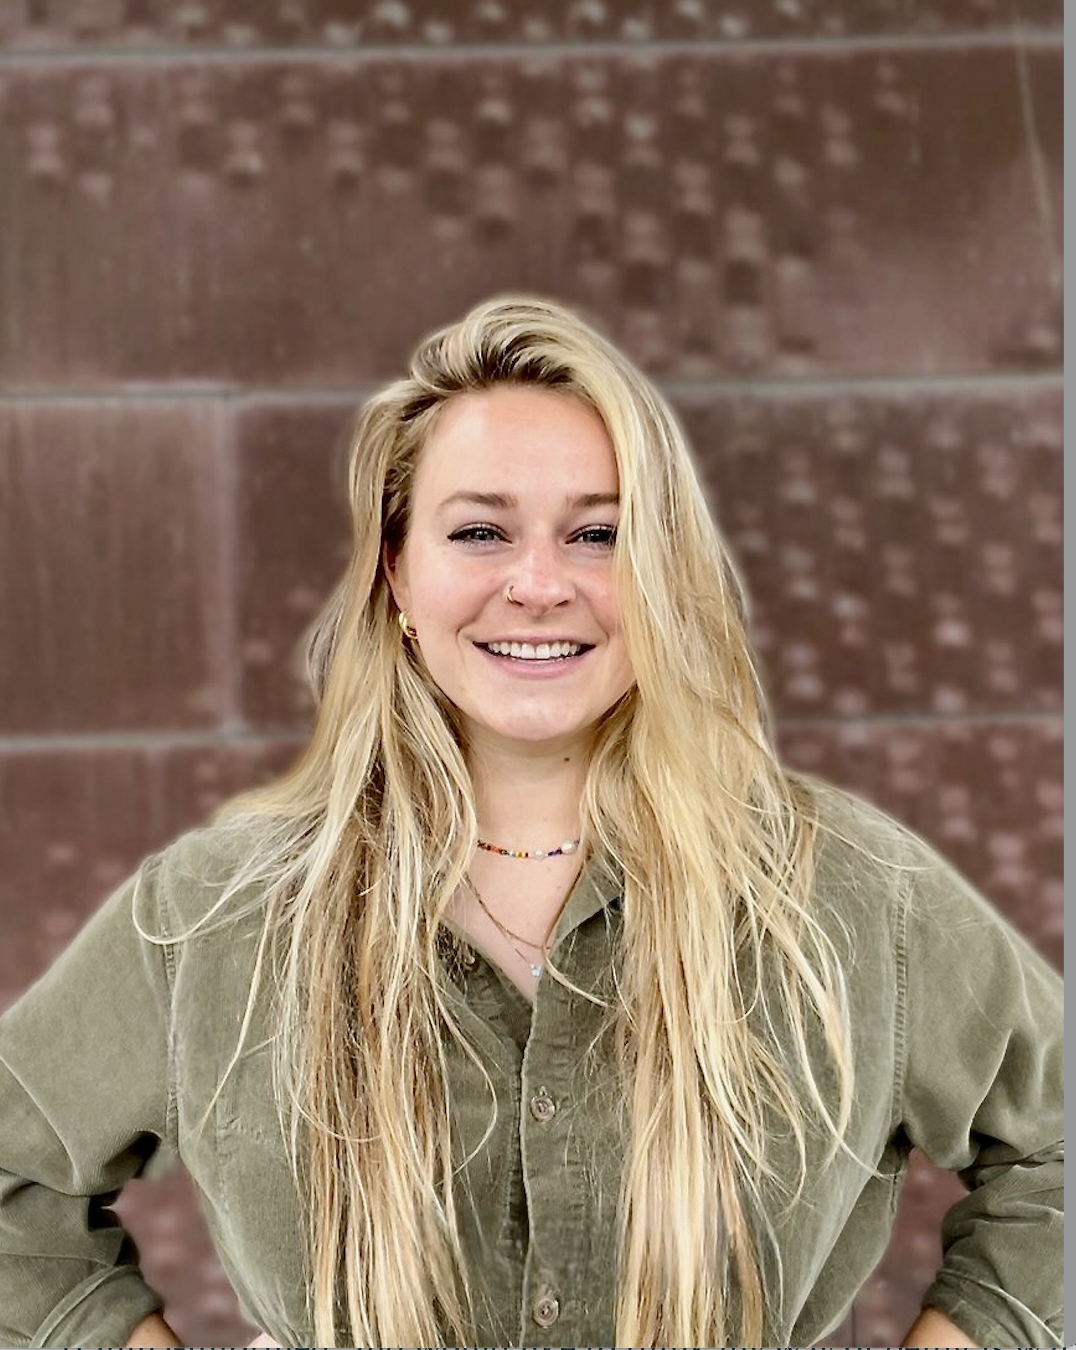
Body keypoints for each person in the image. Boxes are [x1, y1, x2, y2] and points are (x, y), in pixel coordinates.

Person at [0, 297, 1062, 1350]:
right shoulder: (216, 916)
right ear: (397, 576)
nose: (541, 584)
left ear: (659, 576)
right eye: (479, 532)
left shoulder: (845, 892)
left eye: (598, 533)